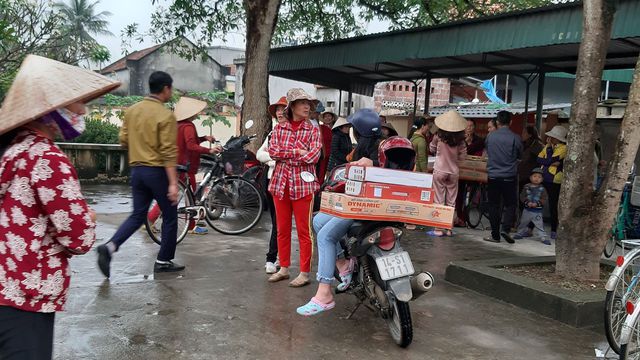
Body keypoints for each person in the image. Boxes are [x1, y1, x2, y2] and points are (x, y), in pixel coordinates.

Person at [0, 55, 118, 359]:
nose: (82, 110)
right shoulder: (47, 159)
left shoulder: (14, 152)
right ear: (53, 110)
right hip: (29, 291)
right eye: (76, 103)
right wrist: (88, 218)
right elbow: (77, 237)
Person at [297, 109, 418, 316]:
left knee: (326, 235)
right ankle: (344, 266)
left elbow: (374, 171)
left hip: (367, 207)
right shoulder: (387, 146)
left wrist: (371, 165)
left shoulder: (373, 151)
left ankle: (324, 294)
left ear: (358, 131)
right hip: (382, 205)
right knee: (318, 221)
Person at [97, 71, 184, 278]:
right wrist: (173, 183)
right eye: (170, 89)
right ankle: (163, 260)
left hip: (137, 171)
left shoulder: (132, 111)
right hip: (158, 172)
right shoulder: (165, 115)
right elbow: (168, 152)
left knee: (138, 215)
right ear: (165, 89)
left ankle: (110, 247)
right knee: (170, 216)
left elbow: (123, 141)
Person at [267, 88, 322, 287]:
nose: (307, 106)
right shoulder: (280, 129)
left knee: (303, 231)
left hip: (303, 186)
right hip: (280, 184)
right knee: (281, 228)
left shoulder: (313, 130)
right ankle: (283, 268)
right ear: (292, 107)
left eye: (308, 104)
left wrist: (288, 154)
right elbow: (273, 152)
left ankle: (305, 272)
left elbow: (314, 157)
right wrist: (298, 151)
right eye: (302, 103)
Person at [147, 97, 222, 235]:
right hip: (184, 167)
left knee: (176, 195)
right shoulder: (188, 126)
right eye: (196, 112)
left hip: (176, 164)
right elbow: (191, 145)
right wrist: (209, 150)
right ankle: (191, 226)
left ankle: (152, 220)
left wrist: (204, 138)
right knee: (190, 198)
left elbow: (190, 141)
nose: (198, 114)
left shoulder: (178, 125)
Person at [256, 96, 288, 274]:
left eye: (283, 109)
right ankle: (274, 258)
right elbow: (260, 154)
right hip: (271, 180)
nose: (280, 112)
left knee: (281, 223)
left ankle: (276, 258)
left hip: (288, 182)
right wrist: (275, 160)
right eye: (277, 109)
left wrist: (275, 158)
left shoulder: (294, 132)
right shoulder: (273, 132)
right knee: (277, 222)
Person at [426, 110, 467, 237]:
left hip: (439, 171)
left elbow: (431, 149)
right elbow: (462, 157)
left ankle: (438, 229)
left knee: (438, 200)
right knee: (451, 202)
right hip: (453, 172)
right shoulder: (461, 140)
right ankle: (449, 229)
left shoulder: (438, 136)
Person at [484, 111, 523, 243]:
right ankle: (505, 229)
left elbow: (488, 151)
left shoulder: (490, 137)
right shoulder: (515, 137)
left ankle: (495, 235)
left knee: (493, 205)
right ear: (510, 122)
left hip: (493, 176)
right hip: (509, 176)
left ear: (497, 122)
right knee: (510, 204)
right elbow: (520, 155)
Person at [537, 125, 568, 240]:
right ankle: (530, 227)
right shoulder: (547, 146)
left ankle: (554, 229)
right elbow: (539, 159)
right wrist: (549, 162)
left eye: (552, 137)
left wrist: (549, 150)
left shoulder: (563, 148)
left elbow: (551, 159)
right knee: (536, 200)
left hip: (555, 180)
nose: (550, 138)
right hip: (544, 177)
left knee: (553, 205)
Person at [513, 168, 550, 245]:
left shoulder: (542, 189)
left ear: (542, 179)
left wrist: (537, 204)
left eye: (539, 177)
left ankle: (543, 237)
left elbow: (544, 198)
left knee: (539, 225)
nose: (536, 178)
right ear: (530, 177)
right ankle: (519, 233)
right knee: (523, 222)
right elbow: (522, 196)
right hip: (527, 209)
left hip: (537, 211)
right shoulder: (526, 187)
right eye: (535, 176)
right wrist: (527, 202)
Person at [317, 109, 337, 183]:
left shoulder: (336, 129)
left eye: (329, 116)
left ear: (332, 118)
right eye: (325, 116)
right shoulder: (320, 128)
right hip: (323, 153)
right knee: (321, 172)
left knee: (332, 173)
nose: (327, 118)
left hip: (333, 154)